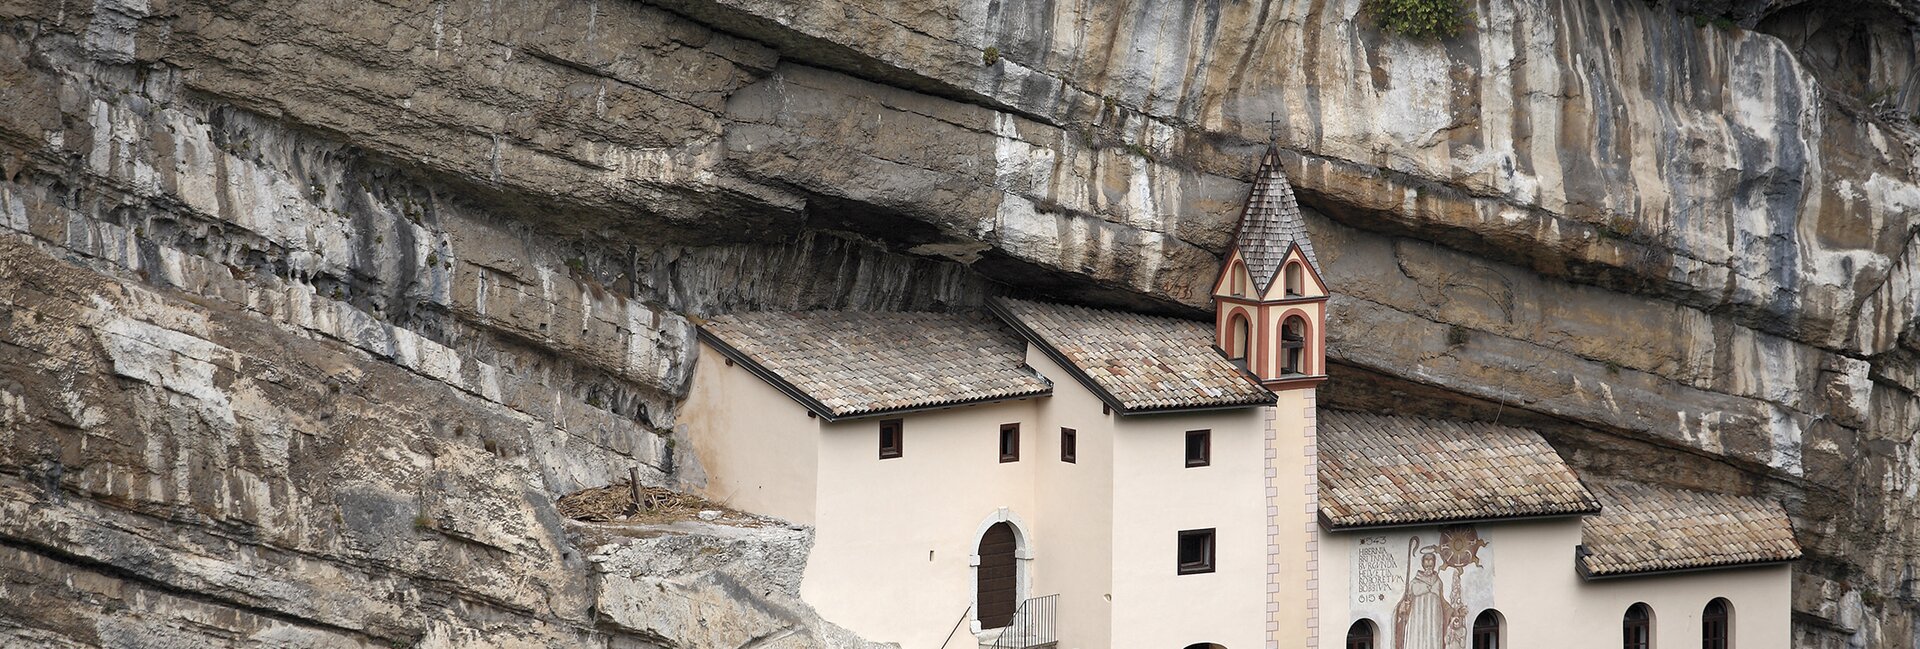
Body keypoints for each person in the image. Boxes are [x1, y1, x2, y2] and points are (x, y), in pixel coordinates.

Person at [1394, 551, 1453, 649]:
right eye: (1426, 560)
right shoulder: (1415, 582)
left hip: (1434, 618)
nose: (1429, 562)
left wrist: (1453, 611)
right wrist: (1404, 607)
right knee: (1417, 640)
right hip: (1418, 618)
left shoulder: (1438, 582)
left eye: (1431, 560)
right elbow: (1407, 599)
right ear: (1423, 563)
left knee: (1433, 639)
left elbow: (1442, 600)